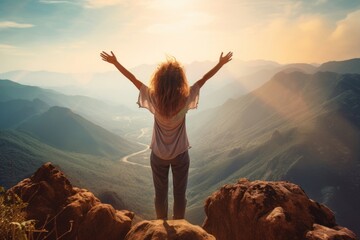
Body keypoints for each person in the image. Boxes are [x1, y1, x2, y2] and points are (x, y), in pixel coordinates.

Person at [100, 50, 233, 219]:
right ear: (180, 80)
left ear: (159, 80)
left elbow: (133, 79)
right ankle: (179, 224)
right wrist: (220, 64)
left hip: (158, 155)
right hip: (180, 154)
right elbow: (203, 80)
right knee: (179, 195)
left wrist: (116, 63)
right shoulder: (186, 98)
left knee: (160, 195)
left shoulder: (153, 98)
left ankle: (160, 224)